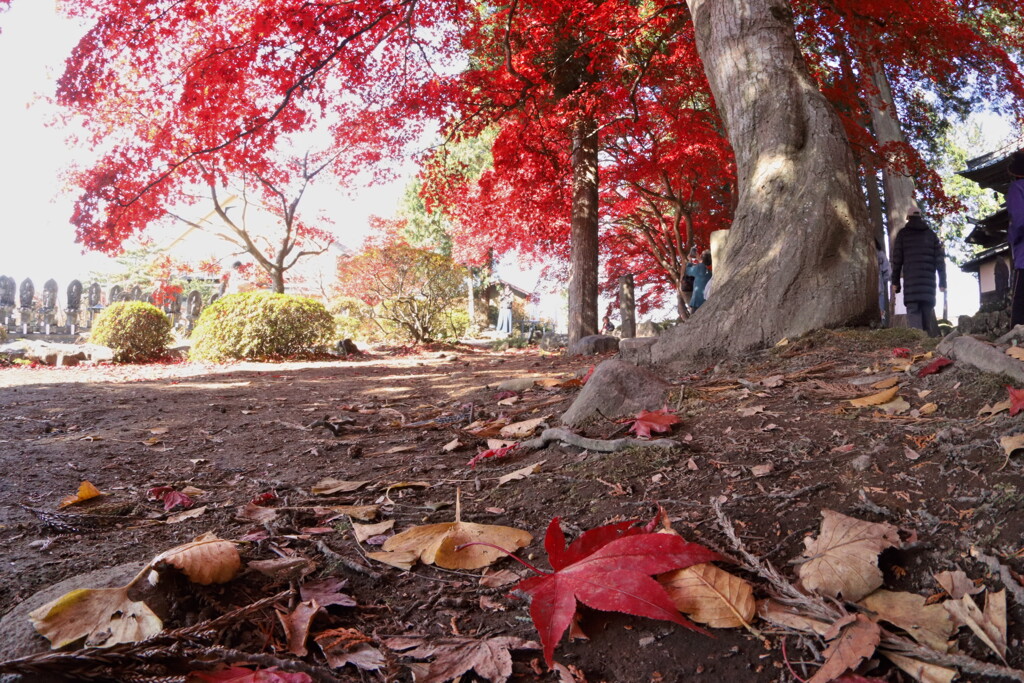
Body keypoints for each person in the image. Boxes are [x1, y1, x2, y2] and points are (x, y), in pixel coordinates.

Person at [891, 203, 946, 337]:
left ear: (908, 218)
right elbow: (940, 261)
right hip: (928, 287)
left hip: (912, 286)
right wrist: (942, 282)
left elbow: (897, 261)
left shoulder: (903, 235)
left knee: (914, 318)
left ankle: (919, 346)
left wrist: (895, 282)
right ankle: (929, 345)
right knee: (927, 316)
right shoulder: (931, 235)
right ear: (921, 218)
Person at [1008, 151, 1024, 327]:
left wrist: (1013, 237)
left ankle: (1016, 344)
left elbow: (1020, 221)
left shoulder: (1017, 188)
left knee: (1020, 306)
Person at [876, 237, 891, 326]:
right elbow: (888, 272)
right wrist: (883, 281)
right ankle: (882, 325)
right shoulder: (880, 254)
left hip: (863, 292)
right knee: (881, 310)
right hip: (879, 288)